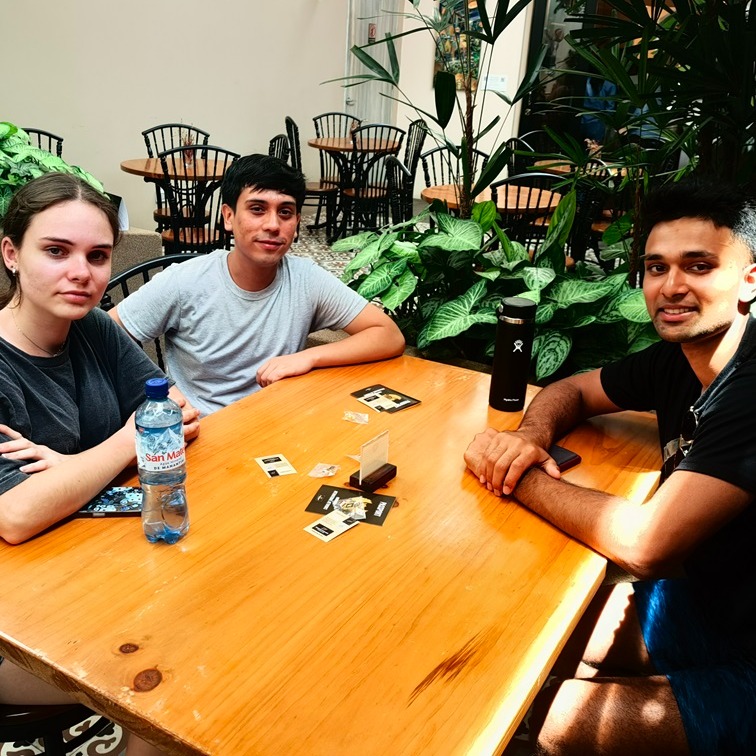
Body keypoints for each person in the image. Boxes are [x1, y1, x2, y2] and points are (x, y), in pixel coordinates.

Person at [465, 176, 756, 755]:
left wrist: (513, 472)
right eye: (656, 267)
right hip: (710, 607)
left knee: (542, 718)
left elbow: (648, 545)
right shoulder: (680, 357)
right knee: (529, 640)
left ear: (750, 279)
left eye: (698, 266)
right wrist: (529, 436)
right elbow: (572, 389)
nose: (671, 286)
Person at [0, 173, 199, 753]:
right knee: (175, 672)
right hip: (13, 629)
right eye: (56, 251)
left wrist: (66, 467)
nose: (81, 272)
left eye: (98, 255)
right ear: (11, 253)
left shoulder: (92, 330)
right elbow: (15, 514)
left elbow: (180, 415)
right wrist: (126, 440)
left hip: (87, 575)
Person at [110, 153, 405, 416]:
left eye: (285, 212)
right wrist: (157, 392)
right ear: (228, 216)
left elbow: (388, 335)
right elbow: (103, 336)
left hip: (276, 424)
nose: (273, 225)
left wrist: (307, 357)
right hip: (203, 435)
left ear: (297, 222)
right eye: (257, 209)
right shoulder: (185, 280)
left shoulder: (306, 279)